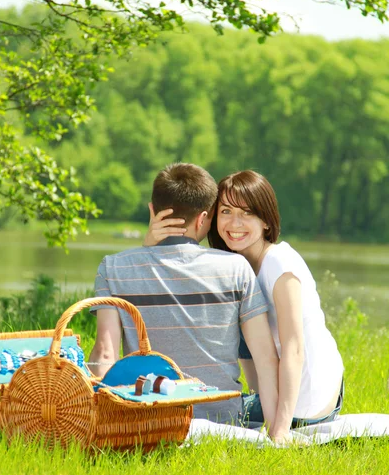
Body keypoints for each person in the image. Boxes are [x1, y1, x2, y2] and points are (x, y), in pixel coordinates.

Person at [147, 170, 344, 441]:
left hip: (309, 396)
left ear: (266, 220)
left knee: (203, 413)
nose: (234, 223)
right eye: (226, 211)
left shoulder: (280, 263)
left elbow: (294, 349)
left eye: (247, 212)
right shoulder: (234, 267)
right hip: (282, 394)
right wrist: (152, 244)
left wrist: (279, 430)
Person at [88, 163, 279, 429]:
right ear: (203, 219)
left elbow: (104, 353)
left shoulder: (113, 267)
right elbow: (266, 358)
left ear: (153, 211)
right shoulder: (236, 268)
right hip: (223, 420)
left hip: (149, 419)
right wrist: (274, 431)